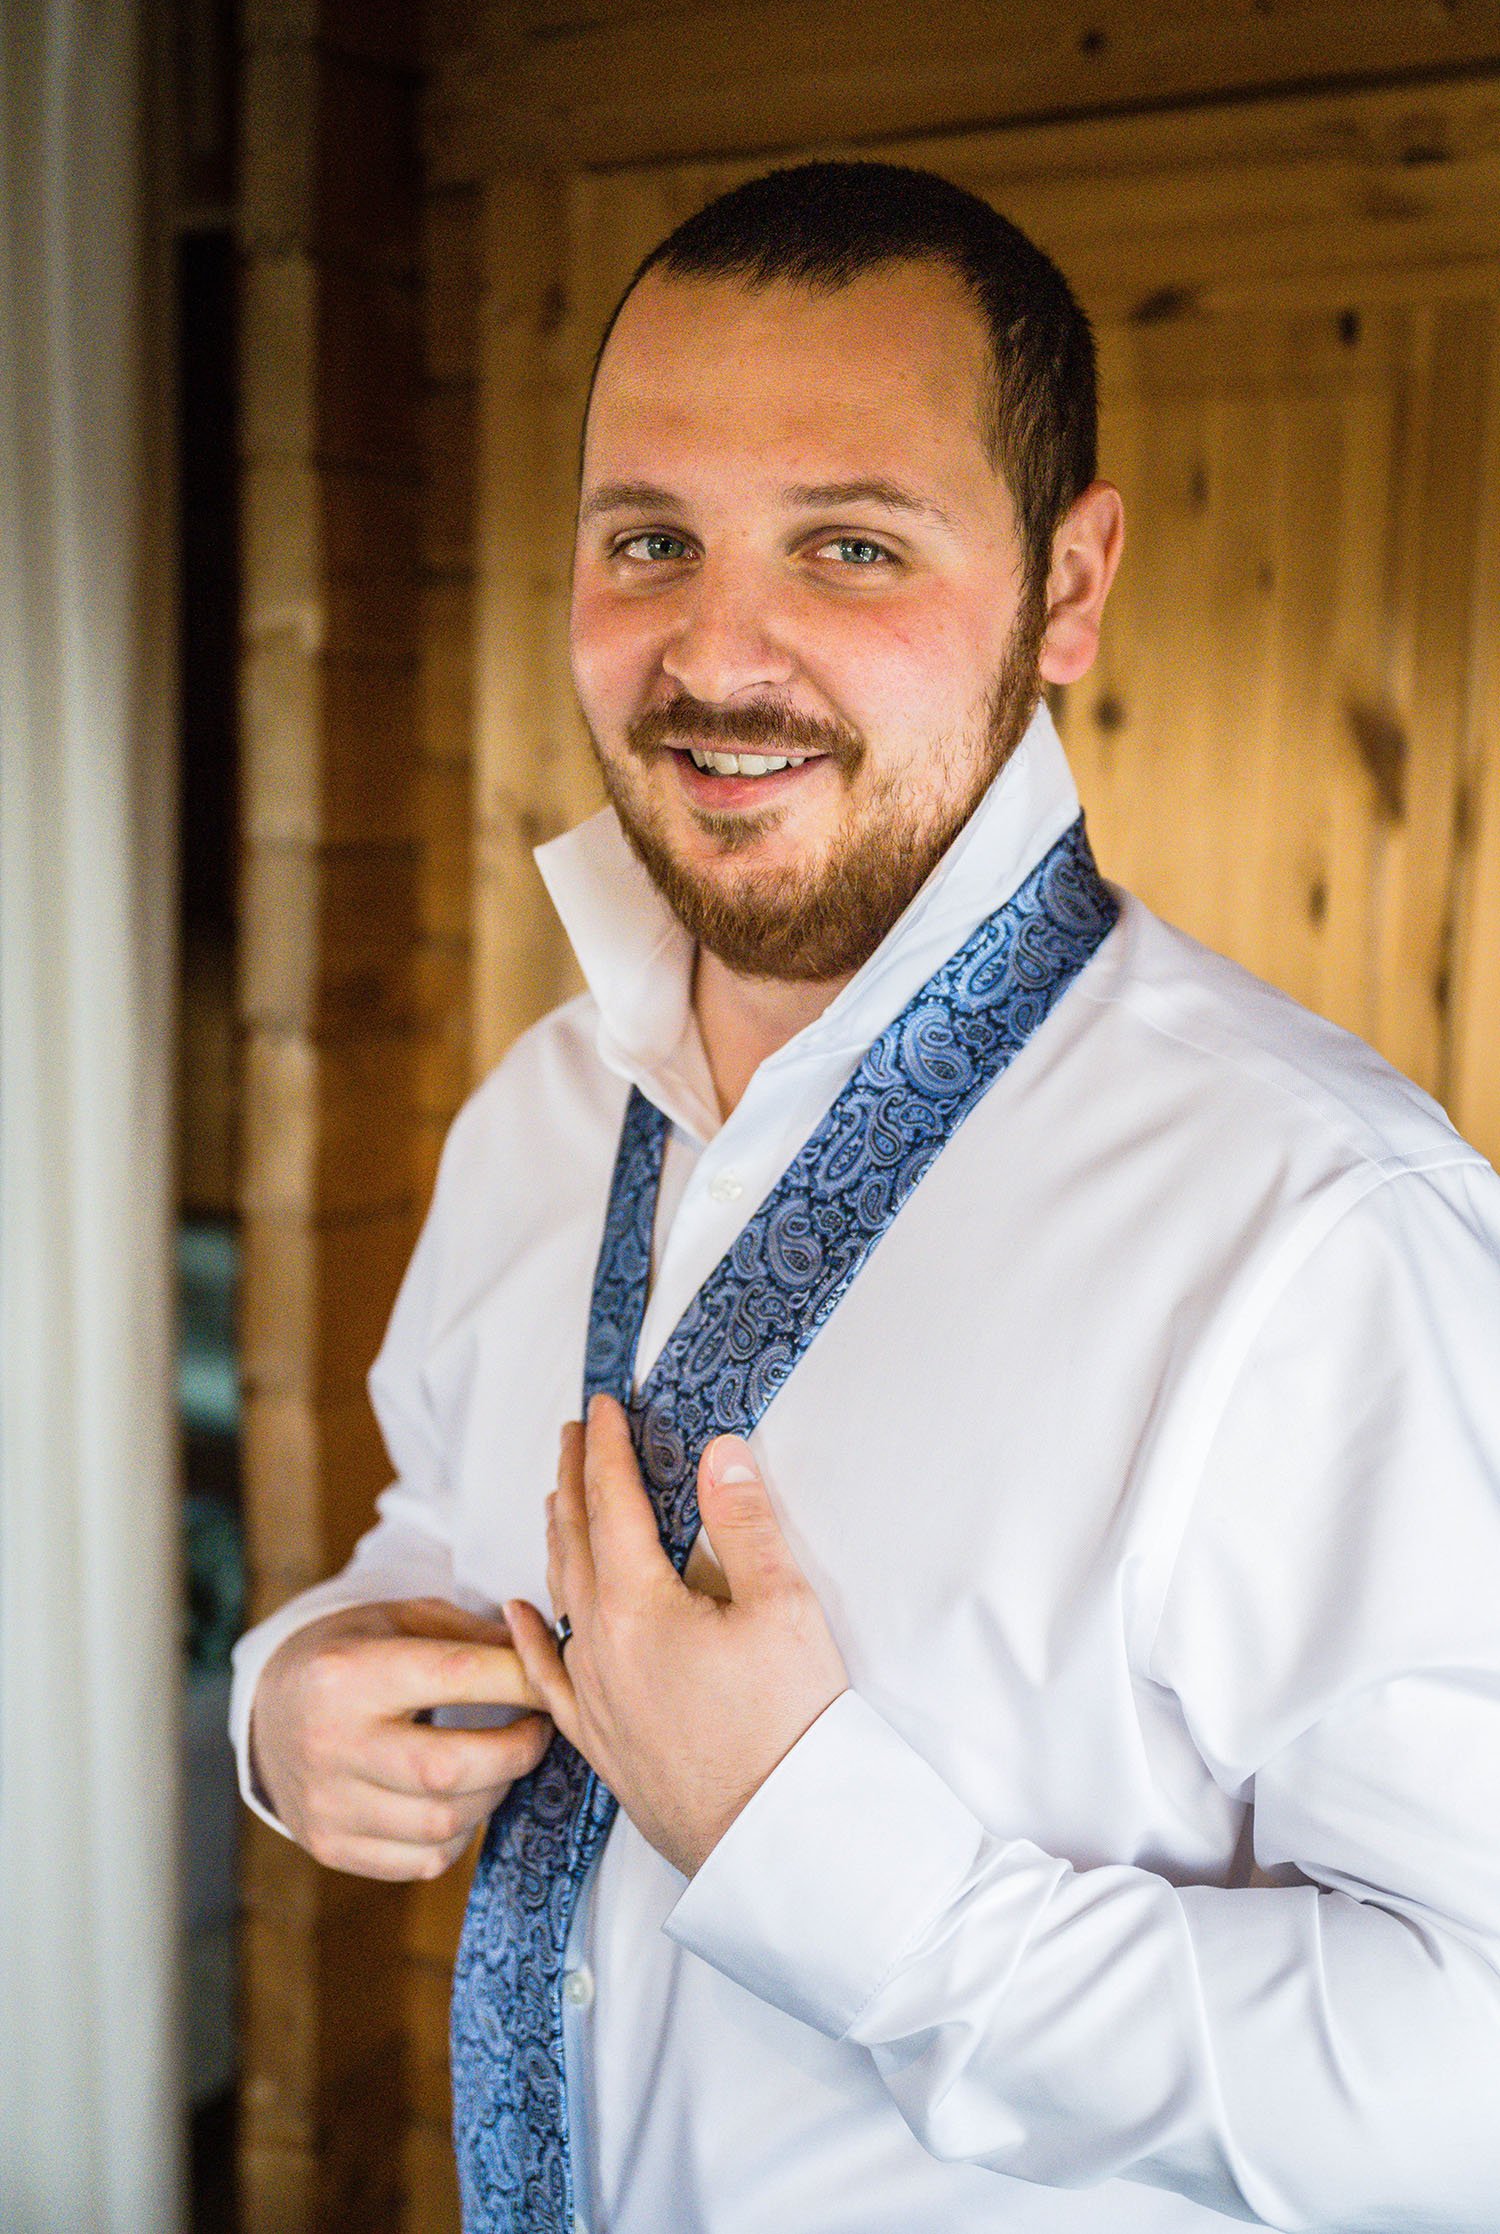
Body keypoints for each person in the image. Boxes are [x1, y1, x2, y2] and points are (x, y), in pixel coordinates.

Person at [231, 161, 1500, 2234]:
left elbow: (1481, 2081)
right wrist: (298, 1697)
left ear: (1067, 588)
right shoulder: (535, 1114)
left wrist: (820, 1857)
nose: (719, 658)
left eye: (849, 544)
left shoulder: (1326, 1232)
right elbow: (435, 1530)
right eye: (652, 541)